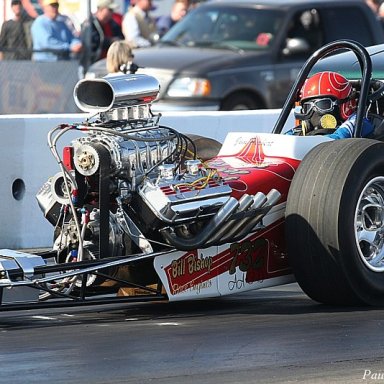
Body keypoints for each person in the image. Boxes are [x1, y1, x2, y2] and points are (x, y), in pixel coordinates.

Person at [288, 71, 374, 139]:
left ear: (346, 105)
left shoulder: (359, 122)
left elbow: (338, 138)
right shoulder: (303, 130)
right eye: (308, 107)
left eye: (323, 104)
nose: (314, 112)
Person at [80, 0, 124, 71]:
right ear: (101, 9)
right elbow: (91, 43)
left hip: (110, 64)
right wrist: (110, 41)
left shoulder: (112, 24)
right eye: (110, 10)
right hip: (93, 65)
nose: (112, 12)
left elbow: (121, 37)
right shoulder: (89, 24)